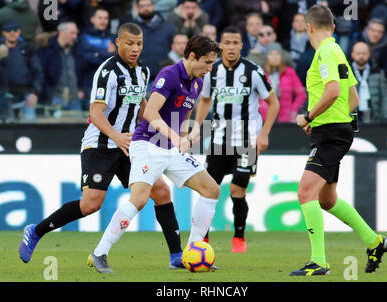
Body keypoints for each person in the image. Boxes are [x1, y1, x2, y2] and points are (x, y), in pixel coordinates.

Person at [19, 23, 184, 271]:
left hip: (129, 145)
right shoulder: (107, 72)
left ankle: (176, 257)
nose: (134, 48)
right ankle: (36, 231)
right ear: (118, 42)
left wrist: (155, 135)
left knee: (161, 191)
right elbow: (95, 113)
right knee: (91, 204)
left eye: (139, 44)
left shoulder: (143, 72)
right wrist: (116, 136)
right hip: (100, 144)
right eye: (129, 43)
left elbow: (142, 107)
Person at [88, 34, 221, 273]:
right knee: (139, 199)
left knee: (212, 190)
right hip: (147, 145)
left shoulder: (198, 82)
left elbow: (185, 112)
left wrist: (185, 135)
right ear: (192, 56)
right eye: (207, 62)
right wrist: (175, 137)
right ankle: (99, 253)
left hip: (171, 147)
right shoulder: (169, 75)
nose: (210, 69)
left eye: (212, 64)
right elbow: (150, 112)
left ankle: (193, 252)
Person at [292, 4, 387, 276]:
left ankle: (319, 261)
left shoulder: (324, 52)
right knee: (327, 199)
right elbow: (353, 99)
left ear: (308, 26)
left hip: (331, 133)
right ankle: (375, 241)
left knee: (305, 192)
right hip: (334, 129)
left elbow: (334, 91)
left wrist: (309, 116)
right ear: (333, 27)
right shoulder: (337, 51)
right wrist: (326, 120)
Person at [189, 26, 279, 252]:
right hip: (219, 139)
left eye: (235, 43)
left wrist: (265, 133)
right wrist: (197, 127)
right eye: (226, 43)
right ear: (220, 45)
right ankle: (203, 239)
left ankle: (239, 238)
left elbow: (273, 102)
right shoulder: (212, 70)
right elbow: (205, 100)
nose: (230, 47)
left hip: (248, 142)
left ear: (241, 45)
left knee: (237, 190)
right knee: (209, 190)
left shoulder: (253, 71)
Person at [0, 20, 43, 121]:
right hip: (2, 95)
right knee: (3, 127)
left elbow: (38, 72)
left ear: (19, 32)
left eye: (15, 30)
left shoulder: (27, 49)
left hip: (26, 94)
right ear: (3, 33)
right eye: (8, 30)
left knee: (29, 122)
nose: (12, 33)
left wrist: (35, 93)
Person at [37, 22, 84, 113]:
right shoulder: (47, 50)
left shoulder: (77, 50)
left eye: (76, 33)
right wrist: (49, 94)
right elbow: (41, 75)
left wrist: (81, 89)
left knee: (78, 127)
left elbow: (83, 71)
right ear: (62, 32)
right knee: (56, 127)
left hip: (74, 99)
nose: (75, 37)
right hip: (55, 99)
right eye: (72, 33)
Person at [80, 7, 116, 110]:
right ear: (92, 19)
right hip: (90, 85)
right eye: (100, 18)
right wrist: (108, 53)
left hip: (110, 86)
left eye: (106, 18)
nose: (103, 21)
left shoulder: (112, 37)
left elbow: (115, 60)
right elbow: (88, 59)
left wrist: (97, 53)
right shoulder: (85, 37)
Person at [133, 0, 176, 82]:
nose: (146, 8)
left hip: (163, 77)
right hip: (138, 77)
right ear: (137, 8)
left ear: (153, 6)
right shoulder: (131, 28)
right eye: (142, 6)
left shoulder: (167, 27)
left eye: (148, 5)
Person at [261, 45, 306, 123]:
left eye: (277, 54)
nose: (274, 57)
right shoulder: (260, 74)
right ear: (266, 56)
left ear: (281, 56)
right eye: (271, 54)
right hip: (265, 117)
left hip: (285, 117)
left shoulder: (290, 72)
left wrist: (293, 110)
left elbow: (301, 94)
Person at [350, 42, 387, 122]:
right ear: (352, 55)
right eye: (358, 53)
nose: (361, 56)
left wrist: (384, 116)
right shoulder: (346, 73)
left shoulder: (378, 72)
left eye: (364, 53)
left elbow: (385, 95)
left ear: (369, 54)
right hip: (352, 118)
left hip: (374, 118)